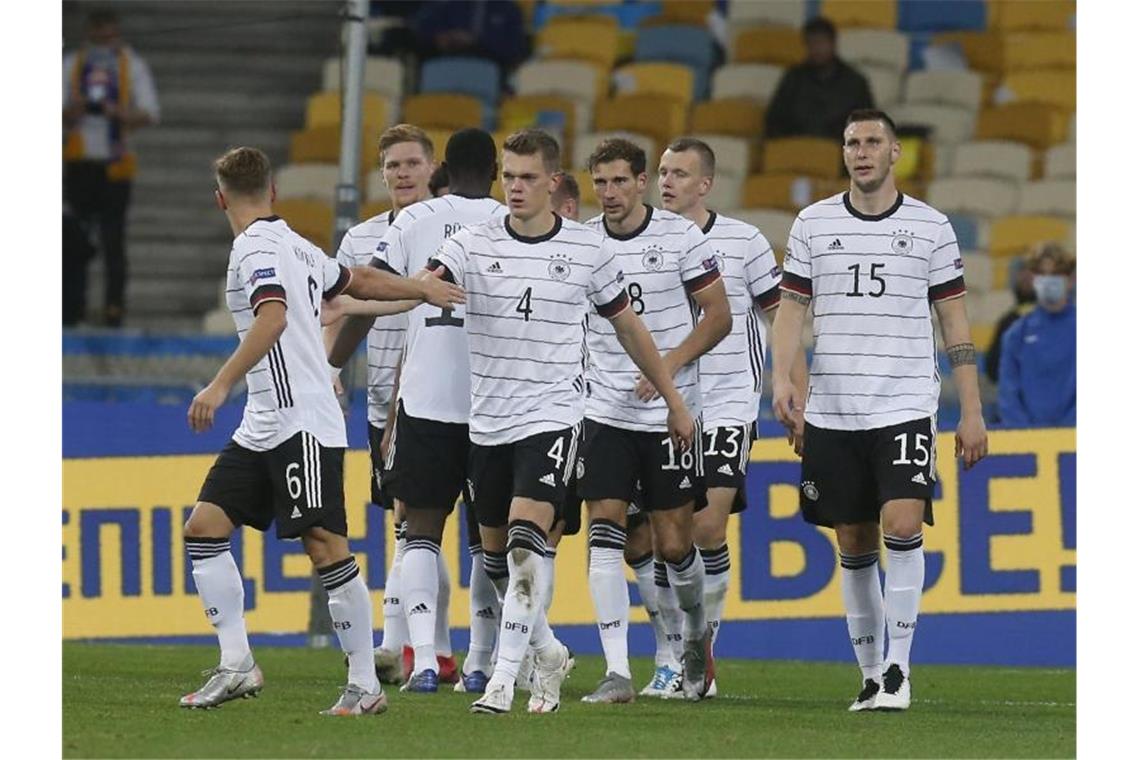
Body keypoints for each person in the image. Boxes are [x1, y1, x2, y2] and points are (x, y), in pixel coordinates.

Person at [180, 146, 463, 714]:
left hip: (302, 420)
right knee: (205, 527)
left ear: (219, 200)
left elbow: (273, 316)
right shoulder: (294, 244)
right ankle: (237, 664)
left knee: (324, 544)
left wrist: (218, 385)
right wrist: (418, 287)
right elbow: (354, 282)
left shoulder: (254, 247)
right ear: (274, 192)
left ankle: (364, 685)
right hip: (264, 421)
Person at [428, 128, 695, 715]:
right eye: (508, 176)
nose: (515, 187)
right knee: (494, 560)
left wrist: (675, 400)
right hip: (488, 422)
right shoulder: (471, 241)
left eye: (527, 177)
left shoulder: (585, 249)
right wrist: (368, 294)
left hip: (554, 417)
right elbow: (427, 283)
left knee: (527, 540)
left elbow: (629, 327)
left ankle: (502, 678)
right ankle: (546, 649)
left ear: (552, 183)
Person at [769, 109, 988, 712]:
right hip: (835, 411)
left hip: (904, 402)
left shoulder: (931, 228)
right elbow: (791, 310)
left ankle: (898, 669)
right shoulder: (813, 224)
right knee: (855, 539)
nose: (861, 152)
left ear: (895, 153)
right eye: (851, 142)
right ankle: (869, 675)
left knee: (902, 525)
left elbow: (955, 324)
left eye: (872, 142)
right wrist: (783, 379)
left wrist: (971, 410)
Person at [331, 128, 507, 695]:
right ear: (500, 170)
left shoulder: (412, 221)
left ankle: (426, 662)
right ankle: (479, 660)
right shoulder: (515, 223)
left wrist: (332, 365)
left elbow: (367, 295)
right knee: (489, 538)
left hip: (425, 399)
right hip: (494, 405)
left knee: (417, 531)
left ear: (442, 168)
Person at [647, 137, 808, 698]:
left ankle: (701, 649)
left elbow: (780, 320)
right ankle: (675, 649)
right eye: (663, 171)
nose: (666, 181)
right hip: (664, 407)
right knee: (663, 536)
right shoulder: (644, 242)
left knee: (708, 526)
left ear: (705, 184)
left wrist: (794, 395)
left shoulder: (744, 243)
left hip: (727, 402)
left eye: (679, 173)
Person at [579, 137, 732, 704]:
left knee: (674, 545)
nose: (610, 193)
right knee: (607, 531)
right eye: (600, 182)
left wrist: (666, 370)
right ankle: (619, 670)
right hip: (604, 412)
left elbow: (719, 317)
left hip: (671, 413)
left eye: (620, 181)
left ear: (641, 182)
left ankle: (693, 636)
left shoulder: (680, 237)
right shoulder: (584, 243)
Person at [321, 124, 459, 686]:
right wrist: (330, 366)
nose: (401, 174)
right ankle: (435, 649)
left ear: (431, 168)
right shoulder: (361, 241)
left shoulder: (451, 230)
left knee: (421, 527)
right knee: (411, 527)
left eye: (411, 164)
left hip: (445, 397)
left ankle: (402, 643)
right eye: (392, 166)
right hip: (384, 398)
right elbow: (338, 306)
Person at [63, 8, 160, 327]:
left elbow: (149, 112)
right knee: (72, 238)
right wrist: (72, 112)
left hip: (116, 166)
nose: (105, 42)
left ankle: (113, 310)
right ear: (89, 34)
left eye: (110, 36)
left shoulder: (132, 66)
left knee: (113, 239)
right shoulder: (71, 65)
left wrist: (119, 112)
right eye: (99, 36)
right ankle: (70, 308)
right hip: (79, 163)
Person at [997, 242, 1076, 427]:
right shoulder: (1016, 334)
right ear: (1033, 279)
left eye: (1056, 274)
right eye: (1042, 274)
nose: (1049, 280)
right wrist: (1028, 437)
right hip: (1031, 444)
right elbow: (1008, 395)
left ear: (1071, 279)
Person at [764, 17, 874, 141]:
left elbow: (867, 127)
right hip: (798, 150)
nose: (817, 49)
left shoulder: (855, 82)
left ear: (833, 43)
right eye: (811, 43)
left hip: (840, 153)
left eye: (821, 42)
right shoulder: (793, 79)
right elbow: (774, 121)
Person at [412, 0, 529, 70]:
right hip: (448, 67)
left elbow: (515, 51)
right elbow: (422, 34)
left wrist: (476, 42)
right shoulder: (447, 5)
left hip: (492, 72)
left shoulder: (510, 10)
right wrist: (440, 39)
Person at [985, 255, 1036, 387]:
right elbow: (992, 369)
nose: (1026, 276)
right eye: (1022, 272)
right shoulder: (1007, 321)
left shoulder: (1058, 320)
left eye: (1033, 272)